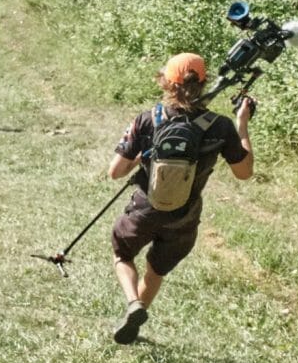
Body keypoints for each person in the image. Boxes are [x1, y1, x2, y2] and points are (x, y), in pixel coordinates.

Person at [106, 53, 256, 345]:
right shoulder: (220, 126)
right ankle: (135, 321)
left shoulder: (148, 119)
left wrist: (140, 158)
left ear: (166, 82)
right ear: (203, 82)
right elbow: (244, 172)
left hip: (144, 211)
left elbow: (115, 172)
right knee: (157, 269)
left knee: (123, 254)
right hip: (184, 218)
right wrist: (242, 123)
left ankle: (132, 302)